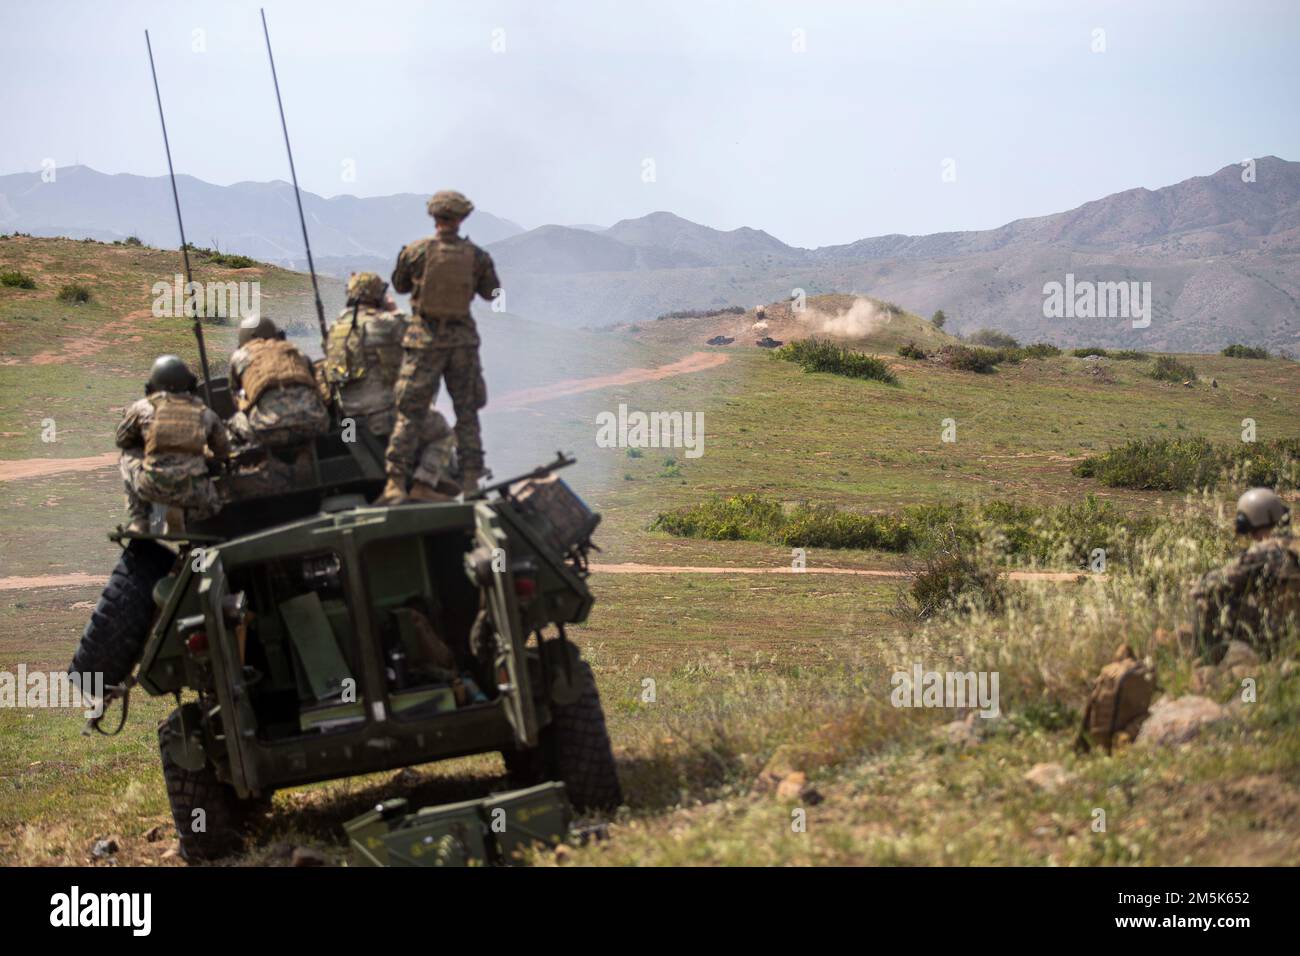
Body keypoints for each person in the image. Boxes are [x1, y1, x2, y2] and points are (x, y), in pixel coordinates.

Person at [381, 190, 500, 502]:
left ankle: (394, 482)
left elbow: (400, 285)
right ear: (462, 218)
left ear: (433, 217)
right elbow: (491, 293)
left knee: (410, 412)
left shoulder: (415, 251)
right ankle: (472, 482)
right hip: (462, 342)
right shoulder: (477, 256)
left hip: (423, 342)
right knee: (467, 413)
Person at [323, 272, 460, 501]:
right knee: (442, 431)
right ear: (377, 295)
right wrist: (392, 309)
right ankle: (423, 485)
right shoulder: (384, 322)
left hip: (349, 421)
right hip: (384, 415)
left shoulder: (335, 328)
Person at [116, 355, 230, 532]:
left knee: (126, 454)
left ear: (152, 385)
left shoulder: (142, 407)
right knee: (212, 467)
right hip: (197, 494)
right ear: (190, 384)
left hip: (154, 487)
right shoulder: (205, 412)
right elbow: (223, 452)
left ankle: (140, 520)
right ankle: (192, 518)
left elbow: (122, 440)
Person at [1192, 487, 1299, 661]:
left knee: (1210, 600)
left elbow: (1211, 585)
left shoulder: (1264, 552)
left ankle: (1205, 664)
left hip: (1281, 634)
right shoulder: (1296, 546)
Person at [227, 314, 329, 450]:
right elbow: (316, 386)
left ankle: (244, 465)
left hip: (268, 431)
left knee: (234, 424)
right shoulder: (294, 351)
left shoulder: (240, 357)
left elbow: (236, 395)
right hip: (314, 424)